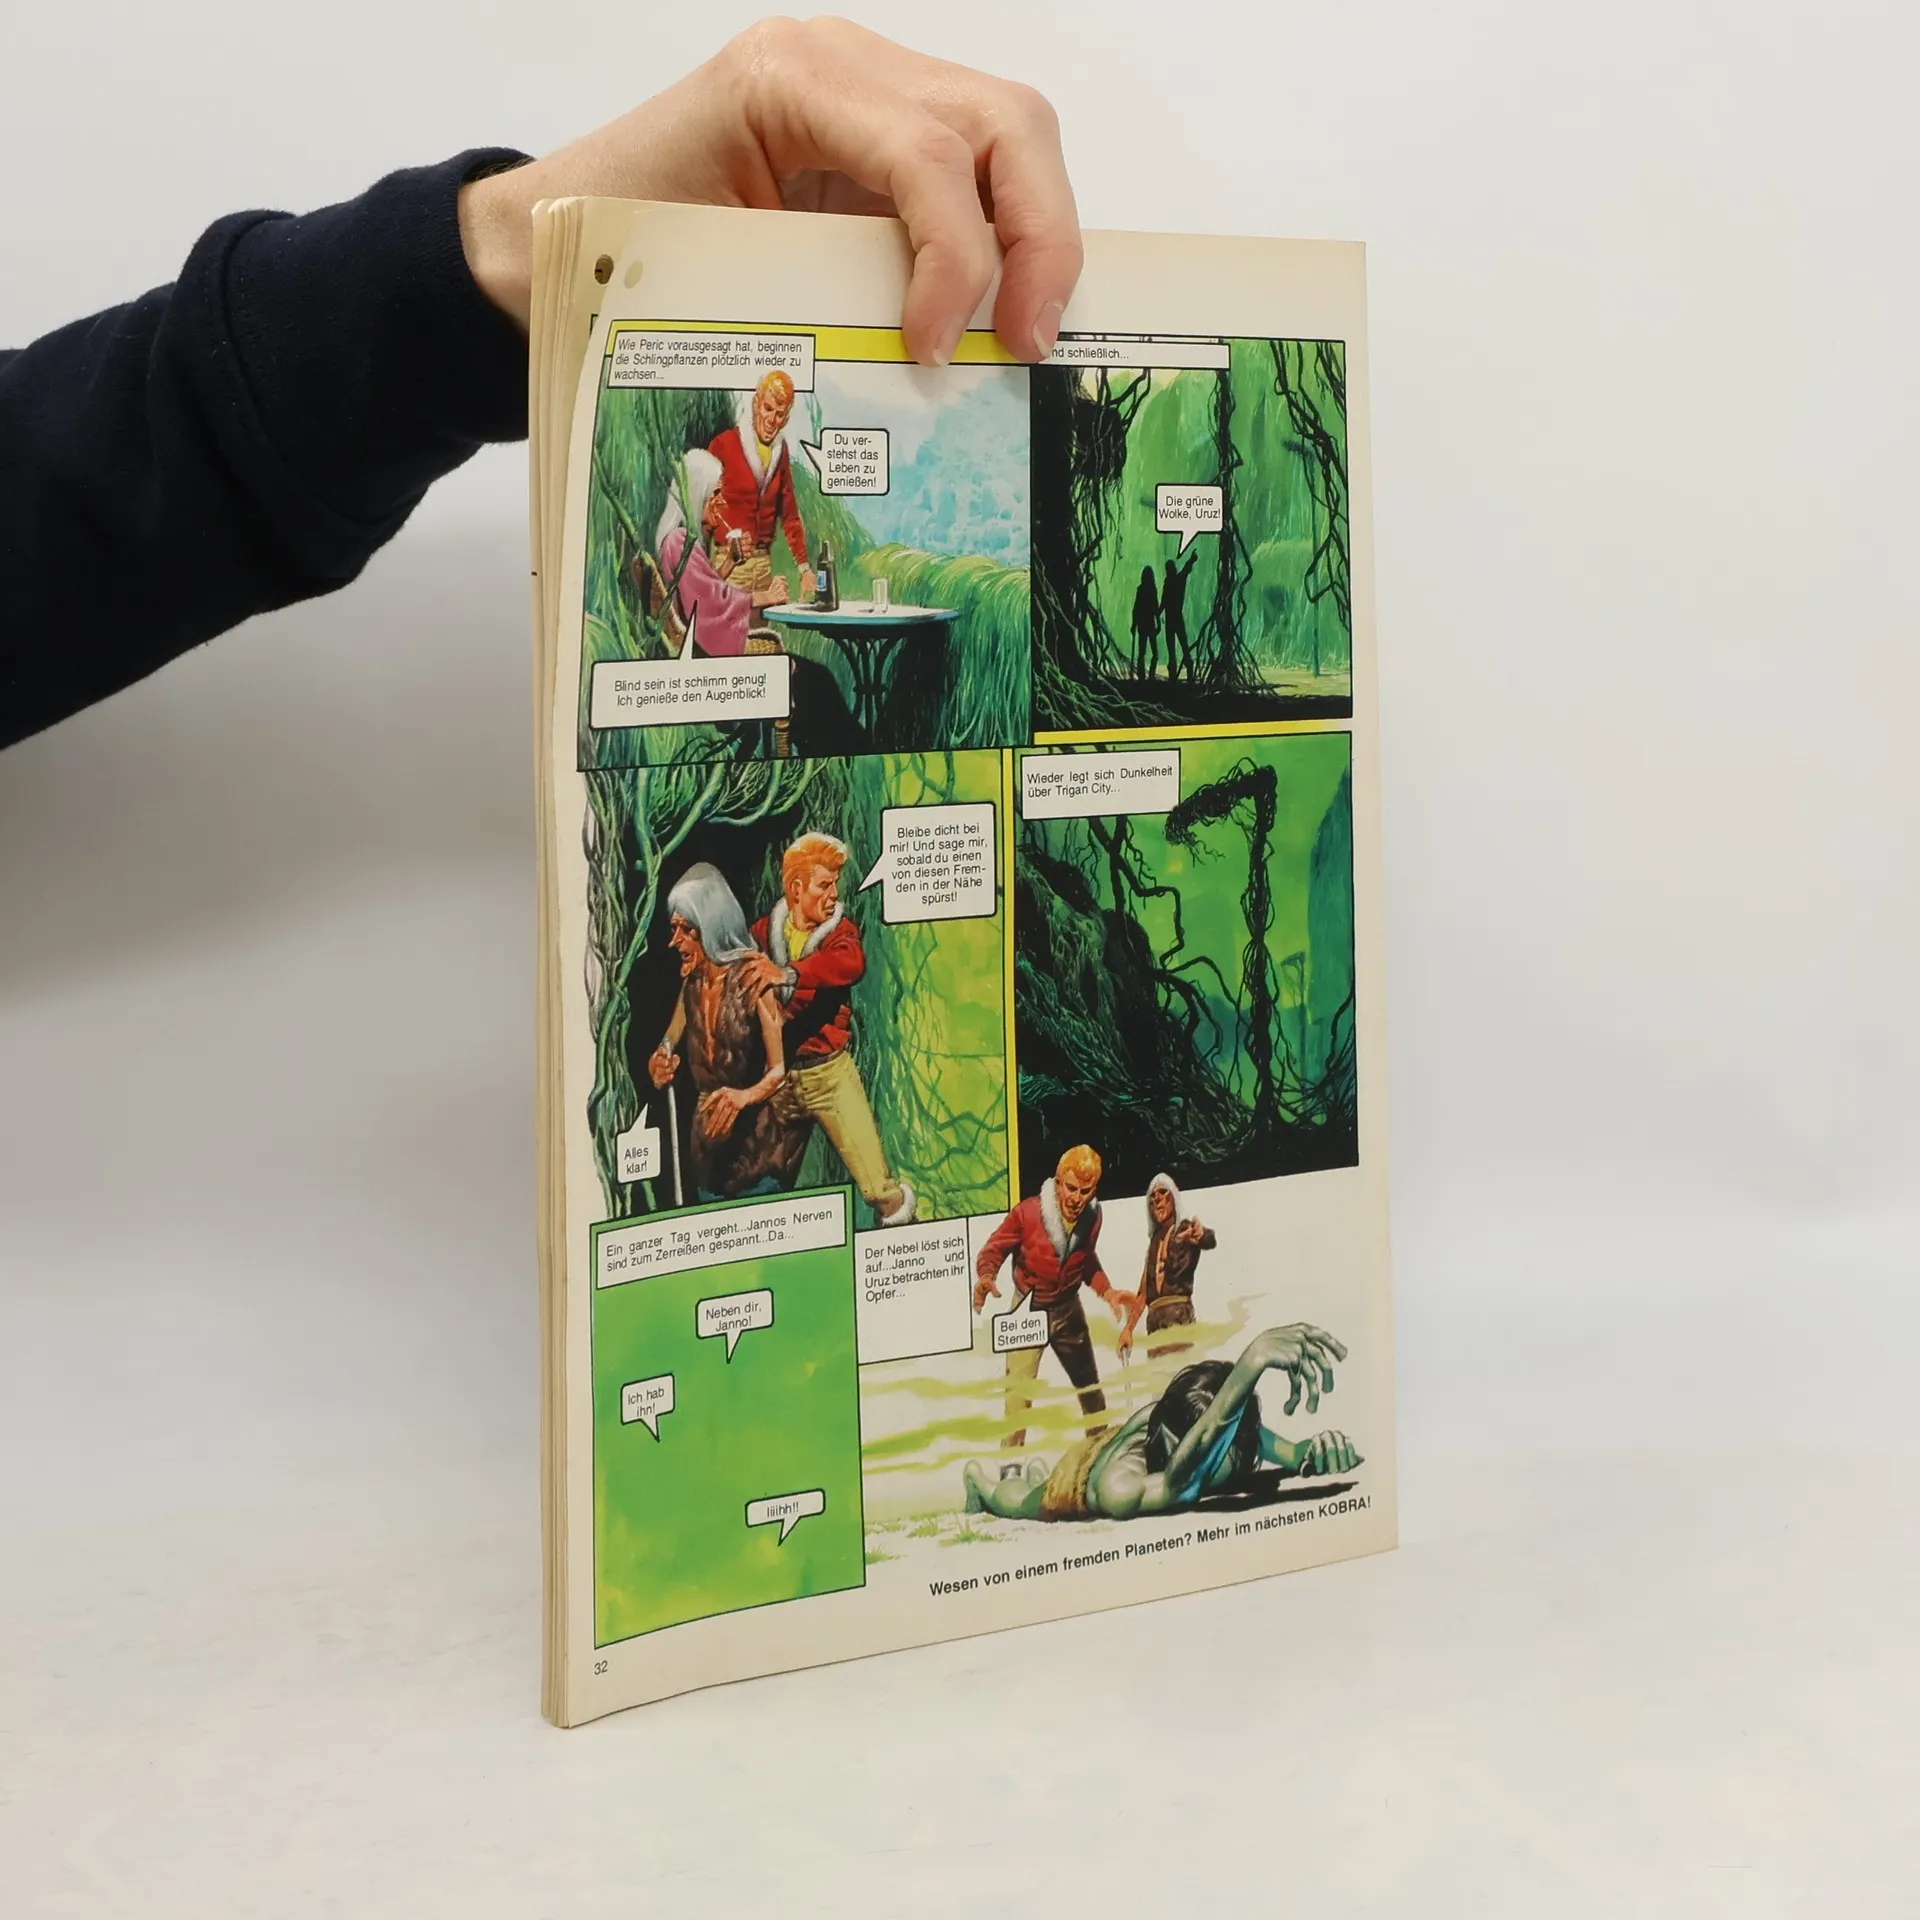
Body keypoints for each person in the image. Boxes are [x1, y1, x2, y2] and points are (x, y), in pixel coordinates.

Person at [2, 20, 1083, 751]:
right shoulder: (710, 464)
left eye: (780, 404)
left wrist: (487, 267)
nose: (773, 409)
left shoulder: (778, 466)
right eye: (767, 401)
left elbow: (68, 491)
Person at [962, 1324, 1361, 1522]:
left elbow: (1292, 1452)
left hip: (1137, 1433)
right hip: (1082, 1472)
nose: (1215, 1461)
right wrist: (1252, 1361)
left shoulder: (1235, 1434)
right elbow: (1182, 1479)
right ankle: (980, 1481)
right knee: (1021, 1501)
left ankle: (1037, 1471)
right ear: (1172, 1441)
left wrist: (1319, 1450)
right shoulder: (1118, 1486)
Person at [746, 832, 916, 1226]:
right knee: (762, 1185)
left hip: (830, 1077)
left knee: (879, 1191)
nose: (833, 894)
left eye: (835, 884)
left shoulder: (840, 934)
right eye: (824, 885)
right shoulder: (762, 933)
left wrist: (790, 974)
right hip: (779, 1082)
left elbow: (849, 964)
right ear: (796, 889)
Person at [647, 863, 806, 1201]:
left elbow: (778, 1070)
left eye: (686, 930)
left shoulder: (753, 978)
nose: (675, 941)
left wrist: (743, 1097)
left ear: (711, 925)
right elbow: (670, 1038)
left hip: (757, 1154)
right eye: (674, 929)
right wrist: (660, 1057)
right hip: (706, 1159)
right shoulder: (691, 983)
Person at [972, 1145, 1139, 1457]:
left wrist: (1107, 1291)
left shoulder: (1094, 1217)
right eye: (1071, 1188)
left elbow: (1085, 1260)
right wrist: (986, 1276)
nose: (1076, 1199)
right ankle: (1010, 1465)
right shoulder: (1028, 1213)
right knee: (1018, 1395)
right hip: (1028, 1309)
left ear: (1094, 1191)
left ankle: (1099, 1453)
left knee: (1090, 1387)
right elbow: (994, 1249)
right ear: (1058, 1182)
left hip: (1067, 1308)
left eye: (1085, 1192)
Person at [655, 449, 789, 657]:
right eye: (715, 493)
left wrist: (730, 562)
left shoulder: (678, 540)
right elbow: (709, 601)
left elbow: (701, 590)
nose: (722, 502)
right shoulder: (679, 542)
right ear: (697, 494)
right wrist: (766, 596)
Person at [708, 372, 816, 601]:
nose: (771, 420)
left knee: (762, 625)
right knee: (730, 623)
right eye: (768, 409)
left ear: (786, 419)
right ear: (756, 404)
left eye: (779, 414)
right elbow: (704, 510)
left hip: (764, 567)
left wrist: (804, 569)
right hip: (730, 565)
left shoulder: (780, 452)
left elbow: (790, 515)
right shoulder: (724, 445)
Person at [1117, 1173, 1217, 1362]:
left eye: (1163, 1193)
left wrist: (1202, 1234)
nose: (1157, 1200)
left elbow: (1208, 1239)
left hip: (1178, 1316)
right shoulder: (1154, 1243)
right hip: (1155, 1321)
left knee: (1178, 1374)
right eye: (1153, 1198)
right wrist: (1128, 1330)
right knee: (1158, 1378)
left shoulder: (1184, 1229)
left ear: (1173, 1197)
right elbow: (1143, 1293)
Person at [1161, 550, 1200, 680]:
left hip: (1173, 618)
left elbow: (1163, 602)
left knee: (1176, 648)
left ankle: (1179, 675)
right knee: (1180, 647)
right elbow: (1186, 570)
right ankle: (1185, 674)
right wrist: (1192, 560)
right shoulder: (1174, 581)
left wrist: (1192, 560)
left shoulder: (1173, 581)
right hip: (1175, 618)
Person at [1130, 564, 1160, 679]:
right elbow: (1155, 606)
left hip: (1142, 624)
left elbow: (1136, 608)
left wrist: (1134, 624)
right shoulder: (1152, 589)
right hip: (1150, 624)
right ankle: (1151, 676)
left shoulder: (1140, 589)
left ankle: (1141, 676)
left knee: (1141, 653)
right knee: (1155, 653)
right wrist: (1159, 622)